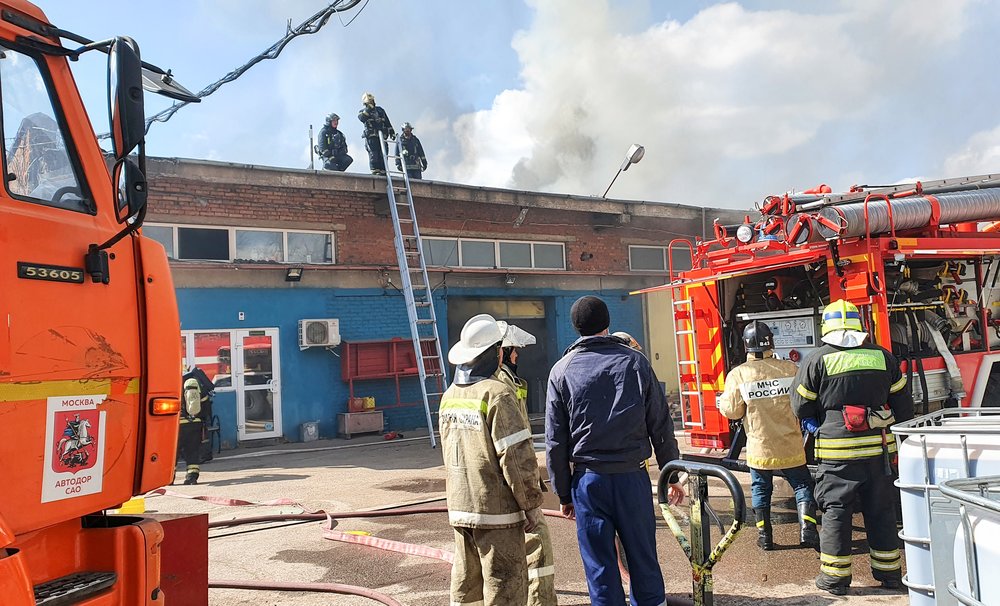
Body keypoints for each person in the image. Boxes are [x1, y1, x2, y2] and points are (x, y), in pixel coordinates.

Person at [546, 295, 684, 606]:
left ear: (576, 328)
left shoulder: (561, 370)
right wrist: (672, 474)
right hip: (632, 479)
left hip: (588, 483)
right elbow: (661, 424)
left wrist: (564, 493)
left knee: (600, 566)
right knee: (642, 557)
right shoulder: (636, 362)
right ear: (607, 324)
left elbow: (555, 440)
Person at [791, 299, 914, 595]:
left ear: (826, 327)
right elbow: (904, 405)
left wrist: (814, 422)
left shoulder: (817, 360)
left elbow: (799, 405)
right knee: (881, 511)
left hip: (836, 454)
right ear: (859, 326)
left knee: (836, 511)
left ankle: (835, 579)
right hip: (878, 452)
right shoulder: (883, 357)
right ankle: (890, 575)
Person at [440, 313, 544, 606]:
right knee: (505, 587)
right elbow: (516, 458)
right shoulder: (497, 394)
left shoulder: (449, 396)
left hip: (460, 509)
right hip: (497, 514)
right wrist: (531, 505)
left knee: (466, 590)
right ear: (495, 354)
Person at [718, 321, 818, 551]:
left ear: (745, 345)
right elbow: (802, 404)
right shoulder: (790, 368)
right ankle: (808, 531)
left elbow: (732, 411)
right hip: (791, 444)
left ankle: (765, 537)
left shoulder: (739, 374)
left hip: (760, 447)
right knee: (802, 485)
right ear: (771, 342)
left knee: (761, 489)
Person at [496, 321, 557, 606]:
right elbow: (512, 449)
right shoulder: (501, 386)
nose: (519, 356)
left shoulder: (504, 382)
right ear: (503, 352)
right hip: (512, 485)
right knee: (538, 544)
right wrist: (529, 494)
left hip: (505, 484)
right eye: (515, 351)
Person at [184, 364, 216, 463]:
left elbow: (192, 402)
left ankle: (203, 455)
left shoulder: (189, 382)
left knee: (200, 433)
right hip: (204, 407)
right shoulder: (195, 378)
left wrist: (192, 414)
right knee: (203, 431)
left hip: (200, 409)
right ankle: (206, 454)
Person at [357, 92, 394, 175]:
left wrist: (392, 132)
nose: (372, 103)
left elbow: (387, 122)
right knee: (374, 154)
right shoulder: (362, 112)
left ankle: (383, 171)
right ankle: (375, 171)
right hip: (371, 138)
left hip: (382, 137)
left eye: (372, 101)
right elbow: (362, 118)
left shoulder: (380, 110)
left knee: (383, 154)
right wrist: (368, 109)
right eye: (369, 102)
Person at [178, 375, 204, 485]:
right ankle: (192, 477)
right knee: (192, 451)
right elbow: (205, 405)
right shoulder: (197, 386)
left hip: (179, 424)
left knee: (174, 452)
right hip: (195, 424)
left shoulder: (175, 385)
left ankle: (170, 477)